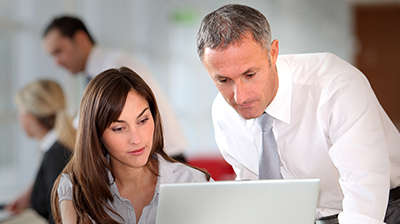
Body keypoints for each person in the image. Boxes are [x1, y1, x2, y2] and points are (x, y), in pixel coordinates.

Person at [196, 4, 400, 224]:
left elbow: (364, 193)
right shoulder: (222, 112)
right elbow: (255, 193)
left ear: (272, 53)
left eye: (250, 74)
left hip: (384, 210)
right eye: (223, 80)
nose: (240, 97)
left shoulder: (335, 87)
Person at [51, 67, 210, 224]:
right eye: (119, 128)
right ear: (96, 133)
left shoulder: (194, 182)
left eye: (143, 121)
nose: (136, 139)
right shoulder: (77, 189)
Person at [42, 16, 187, 162]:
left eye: (59, 51)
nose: (57, 62)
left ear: (80, 39)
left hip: (159, 160)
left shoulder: (114, 67)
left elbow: (88, 126)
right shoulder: (98, 71)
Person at [6, 80, 75, 224]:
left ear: (29, 117)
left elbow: (58, 217)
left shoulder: (57, 154)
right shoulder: (55, 148)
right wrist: (29, 196)